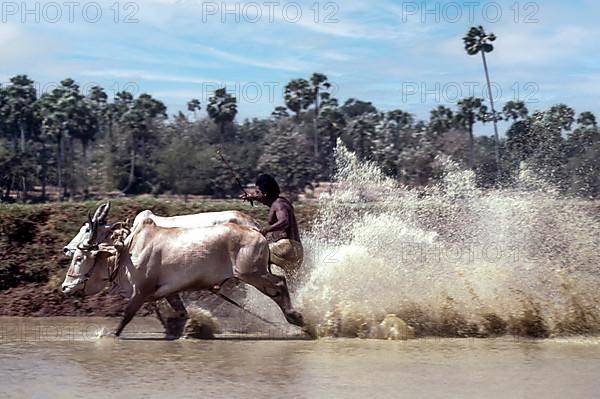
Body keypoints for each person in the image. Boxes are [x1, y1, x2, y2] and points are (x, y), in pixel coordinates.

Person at [241, 174, 303, 276]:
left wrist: (266, 230)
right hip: (297, 250)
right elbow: (262, 197)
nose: (256, 194)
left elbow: (284, 221)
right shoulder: (281, 201)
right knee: (290, 287)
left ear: (265, 194)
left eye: (257, 192)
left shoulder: (278, 205)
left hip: (286, 247)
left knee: (250, 256)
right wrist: (252, 197)